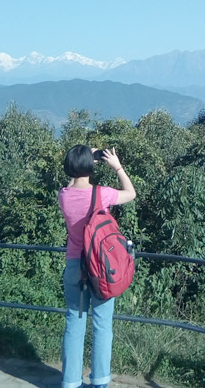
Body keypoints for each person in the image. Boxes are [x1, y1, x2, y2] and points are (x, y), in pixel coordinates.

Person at [58, 144, 137, 388]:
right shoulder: (102, 194)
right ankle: (99, 382)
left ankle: (70, 382)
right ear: (91, 167)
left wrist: (85, 155)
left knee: (74, 322)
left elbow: (76, 175)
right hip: (101, 268)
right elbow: (131, 193)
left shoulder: (63, 195)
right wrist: (117, 166)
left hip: (74, 265)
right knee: (102, 325)